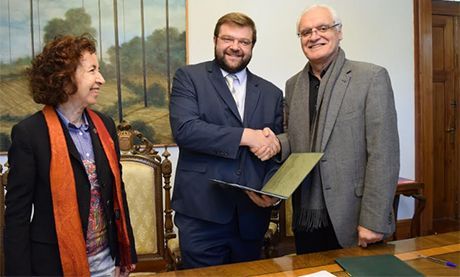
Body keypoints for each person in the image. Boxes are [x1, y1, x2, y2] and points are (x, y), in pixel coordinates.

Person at [4, 34, 137, 276]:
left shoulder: (105, 126)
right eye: (92, 70)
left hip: (107, 263)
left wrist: (127, 254)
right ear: (65, 79)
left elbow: (118, 192)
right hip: (54, 266)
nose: (101, 79)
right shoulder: (30, 135)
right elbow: (17, 217)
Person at [277, 4, 400, 254]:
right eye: (306, 32)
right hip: (306, 216)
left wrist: (373, 220)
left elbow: (384, 153)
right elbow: (297, 140)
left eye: (323, 28)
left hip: (354, 216)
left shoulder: (371, 77)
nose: (314, 36)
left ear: (339, 32)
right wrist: (273, 141)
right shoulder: (293, 85)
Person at [169, 12, 283, 268]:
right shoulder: (189, 78)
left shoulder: (272, 93)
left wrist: (273, 193)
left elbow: (276, 150)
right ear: (215, 40)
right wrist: (248, 136)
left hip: (252, 218)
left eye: (244, 42)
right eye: (228, 39)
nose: (235, 47)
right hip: (201, 215)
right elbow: (186, 130)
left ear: (252, 46)